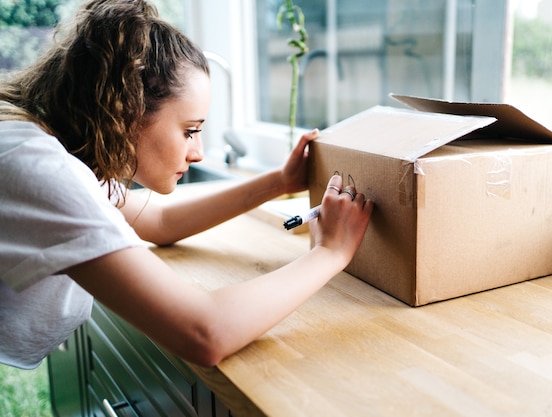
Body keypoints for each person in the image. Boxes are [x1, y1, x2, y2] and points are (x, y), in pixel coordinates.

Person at [0, 0, 373, 369]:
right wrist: (331, 253)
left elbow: (160, 223)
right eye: (190, 131)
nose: (198, 153)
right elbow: (204, 333)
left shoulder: (62, 152)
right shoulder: (38, 167)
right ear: (126, 110)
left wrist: (279, 182)